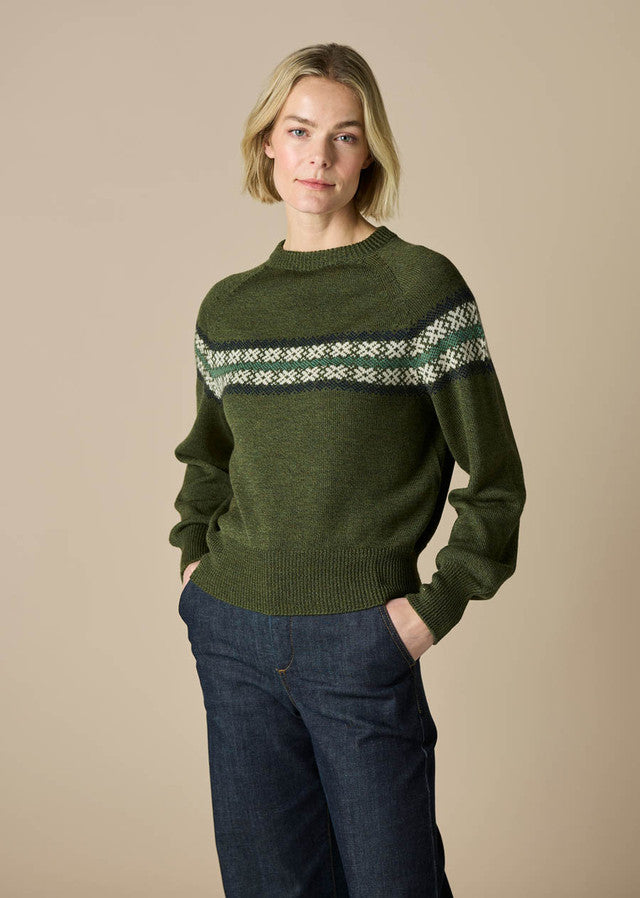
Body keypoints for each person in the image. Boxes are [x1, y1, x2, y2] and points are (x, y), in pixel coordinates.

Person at [169, 42, 526, 898]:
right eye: (298, 130)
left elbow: (496, 478)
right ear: (268, 142)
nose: (318, 156)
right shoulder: (230, 308)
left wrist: (432, 609)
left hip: (361, 641)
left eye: (345, 135)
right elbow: (208, 459)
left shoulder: (419, 289)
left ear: (370, 154)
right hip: (233, 633)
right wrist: (193, 569)